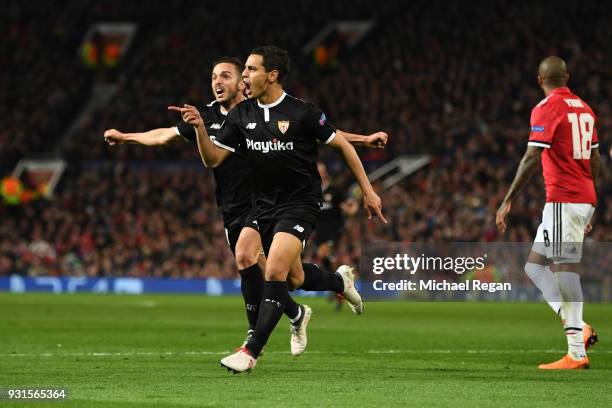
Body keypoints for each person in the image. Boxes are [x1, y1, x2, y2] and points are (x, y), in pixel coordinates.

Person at [105, 56, 388, 358]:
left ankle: (253, 341)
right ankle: (323, 292)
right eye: (213, 76)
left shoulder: (260, 111)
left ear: (242, 81)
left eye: (225, 76)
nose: (217, 82)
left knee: (249, 258)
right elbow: (164, 135)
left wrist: (363, 140)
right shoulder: (209, 116)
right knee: (291, 277)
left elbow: (317, 131)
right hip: (233, 207)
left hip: (267, 202)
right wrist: (126, 137)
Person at [496, 56, 601, 370]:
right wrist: (591, 205)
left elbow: (531, 157)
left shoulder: (546, 107)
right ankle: (579, 328)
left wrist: (508, 198)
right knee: (536, 268)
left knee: (566, 270)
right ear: (566, 76)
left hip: (563, 200)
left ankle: (576, 353)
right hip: (581, 198)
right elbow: (595, 161)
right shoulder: (586, 109)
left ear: (539, 80)